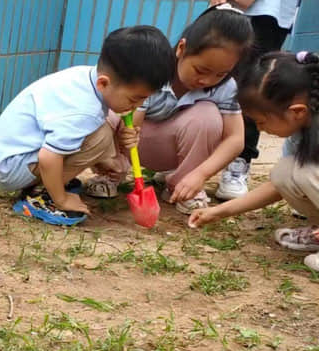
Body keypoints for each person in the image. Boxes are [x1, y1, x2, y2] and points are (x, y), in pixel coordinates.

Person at [0, 26, 175, 226]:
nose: (136, 107)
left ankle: (52, 184)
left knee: (101, 132)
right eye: (134, 99)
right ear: (104, 83)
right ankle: (44, 197)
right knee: (100, 137)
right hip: (11, 169)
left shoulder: (85, 78)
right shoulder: (85, 110)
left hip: (8, 155)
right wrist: (62, 198)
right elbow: (48, 157)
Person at [102, 5, 253, 214]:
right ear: (182, 48)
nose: (207, 80)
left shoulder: (226, 88)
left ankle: (183, 186)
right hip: (133, 143)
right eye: (201, 70)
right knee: (104, 112)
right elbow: (131, 125)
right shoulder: (154, 69)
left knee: (207, 115)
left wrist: (200, 175)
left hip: (171, 149)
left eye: (220, 74)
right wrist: (125, 141)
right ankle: (111, 173)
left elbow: (235, 140)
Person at [188, 51, 319, 270]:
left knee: (306, 172)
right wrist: (219, 212)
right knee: (286, 171)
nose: (259, 129)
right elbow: (278, 186)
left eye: (261, 121)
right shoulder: (303, 128)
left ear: (296, 111)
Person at [212, 0, 302, 200]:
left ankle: (240, 161)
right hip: (228, 9)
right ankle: (188, 160)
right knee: (212, 78)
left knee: (252, 89)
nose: (264, 127)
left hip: (268, 14)